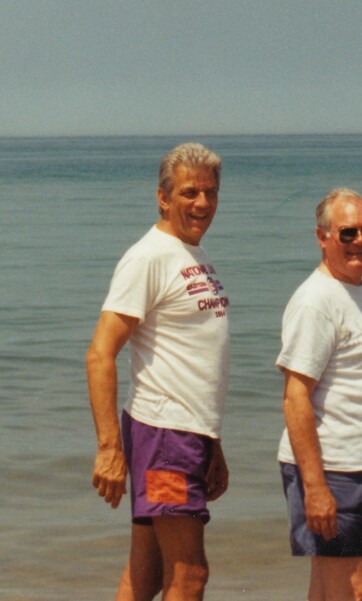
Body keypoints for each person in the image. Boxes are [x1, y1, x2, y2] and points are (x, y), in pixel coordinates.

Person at [86, 143, 230, 600]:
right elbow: (100, 354)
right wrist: (109, 448)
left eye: (210, 192)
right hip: (166, 439)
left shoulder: (192, 254)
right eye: (189, 192)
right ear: (163, 198)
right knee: (190, 575)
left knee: (145, 574)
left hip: (185, 435)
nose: (202, 203)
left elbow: (193, 358)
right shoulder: (148, 257)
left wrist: (213, 442)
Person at [277, 188, 362, 601]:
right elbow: (295, 397)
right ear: (322, 237)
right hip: (334, 467)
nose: (360, 241)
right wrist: (315, 487)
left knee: (326, 587)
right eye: (347, 232)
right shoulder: (315, 302)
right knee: (352, 590)